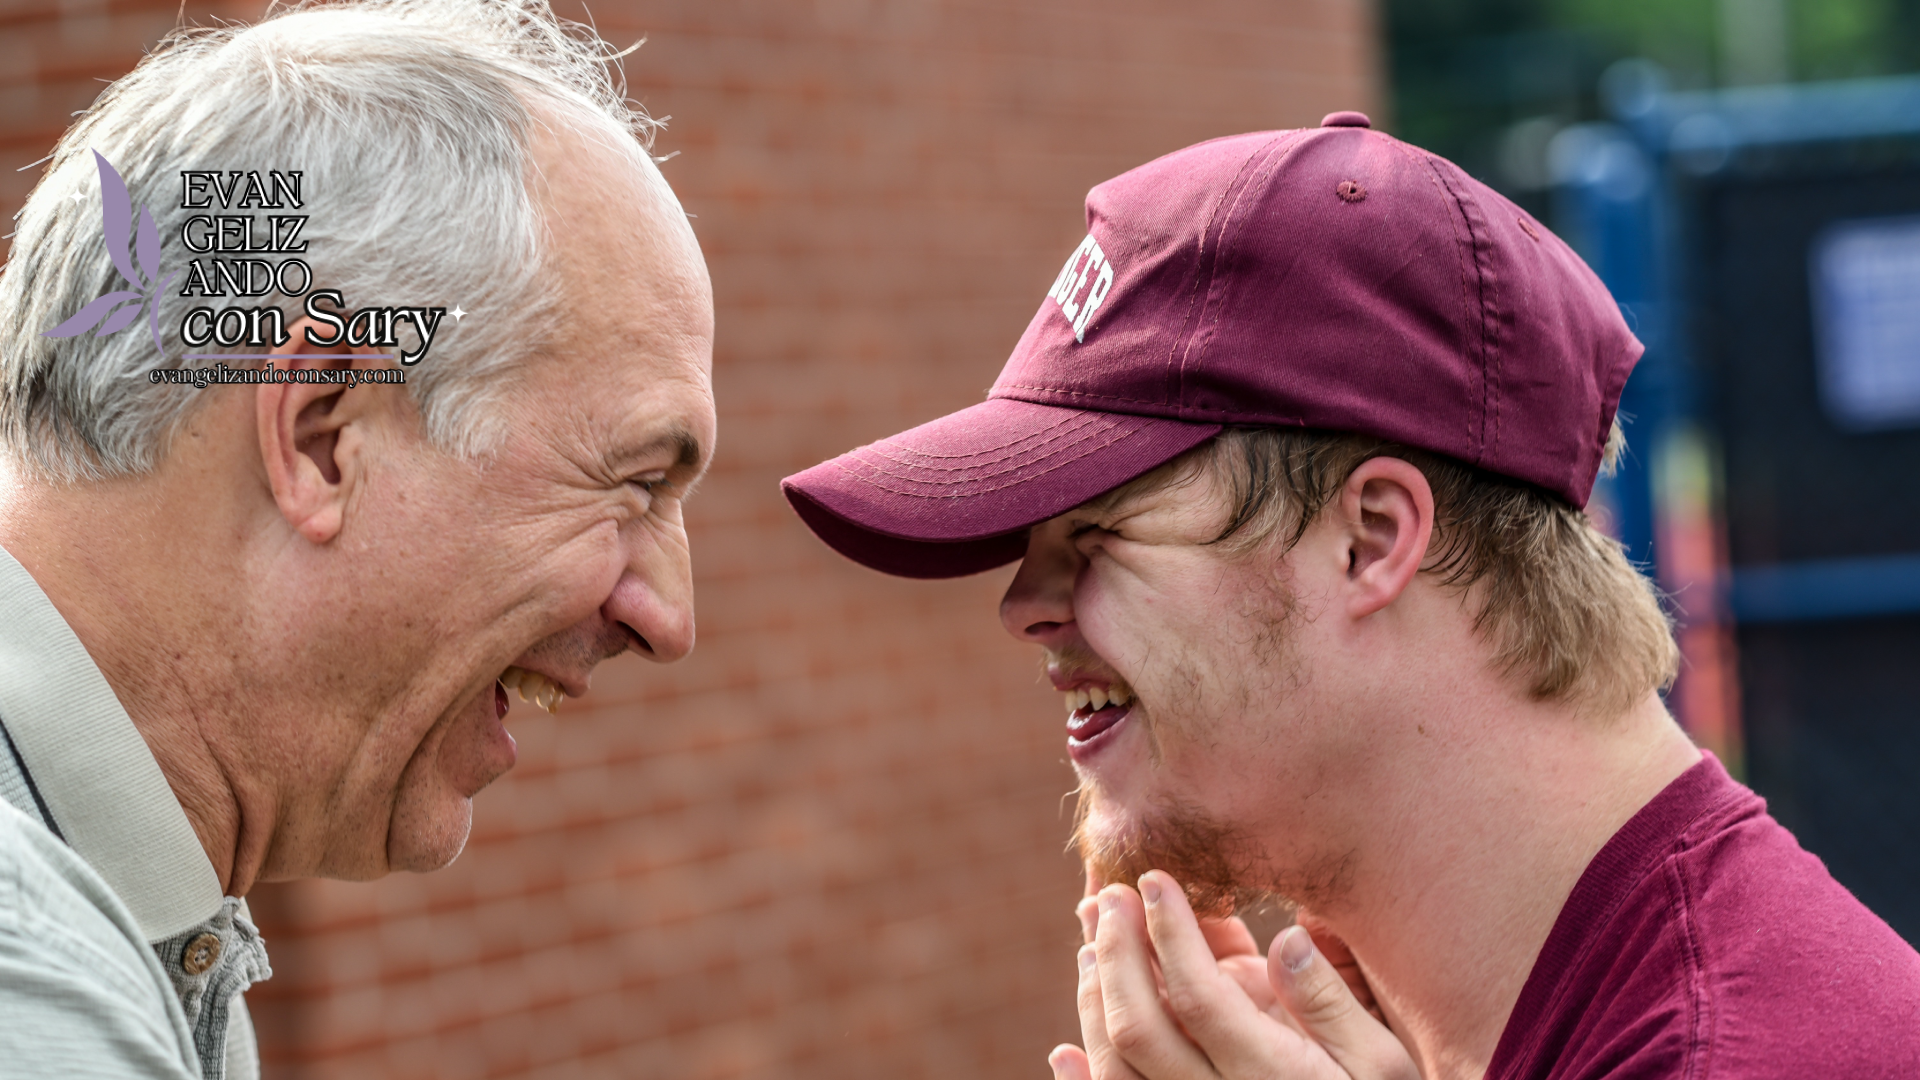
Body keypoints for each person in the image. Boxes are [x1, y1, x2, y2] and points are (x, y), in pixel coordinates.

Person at [782, 114, 1920, 1079]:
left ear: (1371, 539)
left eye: (1096, 533)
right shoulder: (1374, 1024)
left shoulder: (1761, 1052)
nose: (1023, 605)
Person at [0, 2, 713, 1076]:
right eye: (635, 483)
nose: (667, 618)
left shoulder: (135, 926)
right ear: (323, 438)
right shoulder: (38, 988)